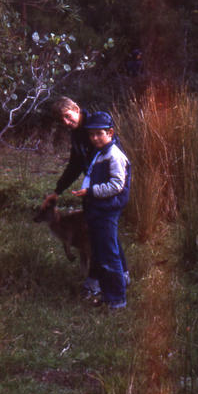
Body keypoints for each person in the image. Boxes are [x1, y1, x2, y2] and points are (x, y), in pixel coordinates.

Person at [43, 98, 128, 299]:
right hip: (94, 191)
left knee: (98, 239)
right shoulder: (77, 134)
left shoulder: (96, 129)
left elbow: (113, 164)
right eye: (60, 119)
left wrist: (93, 192)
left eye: (67, 116)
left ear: (76, 109)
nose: (65, 122)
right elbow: (75, 164)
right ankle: (122, 277)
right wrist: (58, 190)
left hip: (106, 194)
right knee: (107, 236)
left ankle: (98, 284)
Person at [72, 111, 131, 309]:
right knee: (100, 253)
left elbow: (116, 185)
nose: (95, 138)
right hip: (98, 209)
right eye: (91, 135)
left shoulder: (114, 155)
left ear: (110, 133)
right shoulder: (100, 153)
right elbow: (90, 174)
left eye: (99, 133)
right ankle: (108, 295)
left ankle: (117, 300)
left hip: (108, 210)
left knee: (109, 255)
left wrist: (91, 191)